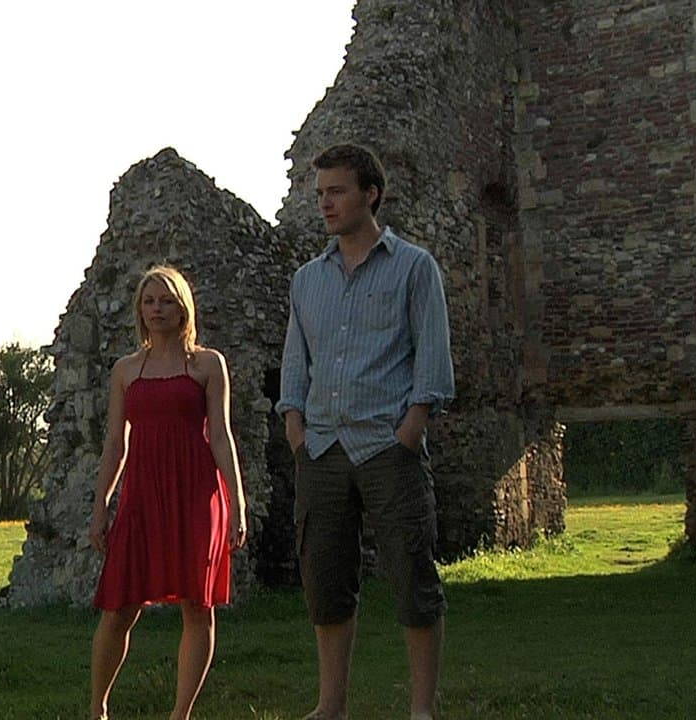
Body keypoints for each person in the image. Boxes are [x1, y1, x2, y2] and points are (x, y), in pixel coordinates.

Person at [277, 143, 455, 720]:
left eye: (337, 191)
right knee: (325, 583)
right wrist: (296, 429)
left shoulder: (414, 267)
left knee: (412, 577)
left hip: (387, 447)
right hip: (321, 449)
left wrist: (411, 430)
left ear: (370, 194)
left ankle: (421, 711)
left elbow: (433, 356)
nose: (325, 204)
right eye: (320, 193)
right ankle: (331, 707)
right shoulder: (307, 280)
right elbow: (295, 361)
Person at [87, 265, 249, 720]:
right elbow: (114, 445)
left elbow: (222, 436)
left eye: (166, 301)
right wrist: (100, 506)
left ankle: (181, 714)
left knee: (199, 606)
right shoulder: (125, 371)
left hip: (198, 496)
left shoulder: (207, 364)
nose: (157, 309)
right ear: (139, 309)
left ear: (183, 309)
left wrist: (238, 503)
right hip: (142, 497)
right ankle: (97, 709)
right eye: (149, 301)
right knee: (119, 606)